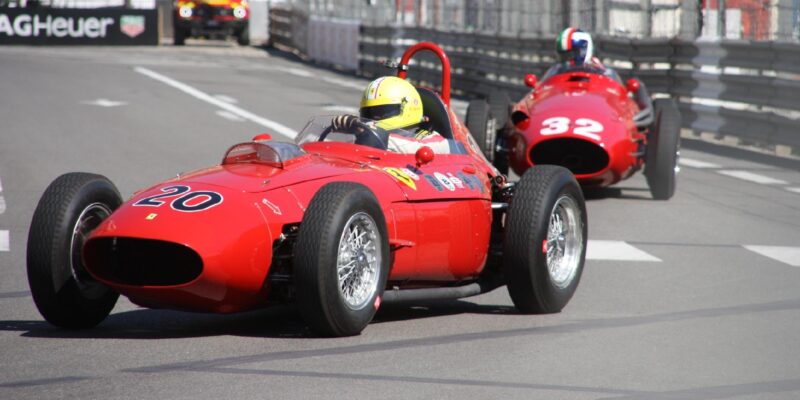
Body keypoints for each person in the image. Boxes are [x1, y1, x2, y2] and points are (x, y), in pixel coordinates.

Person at [331, 76, 453, 154]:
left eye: (381, 112)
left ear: (407, 107)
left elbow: (416, 148)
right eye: (369, 112)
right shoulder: (363, 138)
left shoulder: (433, 141)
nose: (374, 118)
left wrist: (367, 134)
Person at [543, 27, 622, 83]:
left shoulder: (601, 71)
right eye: (562, 55)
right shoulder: (557, 71)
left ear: (582, 51)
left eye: (569, 55)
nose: (565, 60)